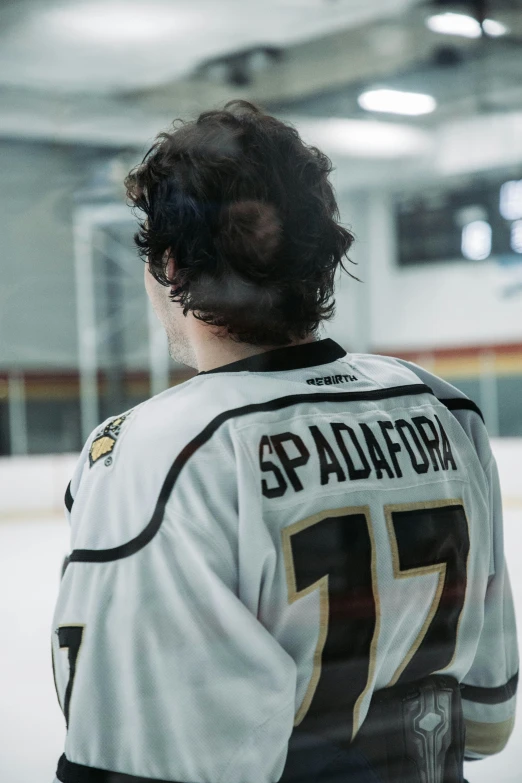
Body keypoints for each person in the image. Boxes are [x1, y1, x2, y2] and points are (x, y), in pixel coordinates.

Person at [51, 100, 518, 783]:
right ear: (319, 253)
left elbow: (135, 762)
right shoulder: (446, 409)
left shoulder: (159, 452)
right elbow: (485, 720)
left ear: (172, 264)